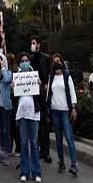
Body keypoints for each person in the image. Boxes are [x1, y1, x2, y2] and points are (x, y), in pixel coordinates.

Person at [47, 53, 79, 177]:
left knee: (69, 138)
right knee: (58, 138)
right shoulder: (51, 77)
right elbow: (49, 94)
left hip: (65, 111)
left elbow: (72, 92)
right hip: (55, 111)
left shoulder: (67, 76)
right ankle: (61, 162)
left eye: (58, 61)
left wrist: (73, 108)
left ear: (61, 62)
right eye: (54, 61)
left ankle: (74, 164)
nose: (56, 63)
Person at [15, 53, 42, 183]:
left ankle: (36, 172)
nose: (25, 62)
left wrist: (39, 85)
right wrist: (12, 88)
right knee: (24, 144)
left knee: (34, 144)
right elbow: (13, 97)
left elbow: (40, 95)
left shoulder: (34, 75)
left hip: (34, 114)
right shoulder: (18, 76)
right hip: (22, 114)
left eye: (26, 60)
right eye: (22, 60)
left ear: (29, 62)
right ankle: (24, 171)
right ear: (20, 63)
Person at [30, 36, 52, 164]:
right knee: (37, 125)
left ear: (38, 44)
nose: (32, 45)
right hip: (34, 96)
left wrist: (45, 83)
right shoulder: (30, 59)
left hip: (43, 94)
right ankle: (38, 150)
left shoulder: (46, 58)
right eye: (31, 43)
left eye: (33, 43)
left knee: (44, 124)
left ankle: (46, 152)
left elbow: (48, 75)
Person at [0, 51, 13, 166]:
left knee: (6, 130)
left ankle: (7, 153)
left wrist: (4, 68)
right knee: (0, 130)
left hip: (6, 106)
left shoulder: (8, 72)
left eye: (0, 60)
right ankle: (2, 151)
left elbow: (7, 80)